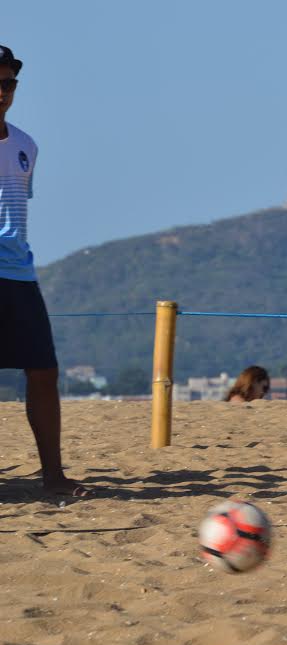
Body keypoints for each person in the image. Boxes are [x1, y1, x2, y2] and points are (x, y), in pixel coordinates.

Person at [0, 46, 91, 498]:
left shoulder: (25, 145)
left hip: (19, 274)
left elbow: (15, 213)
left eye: (7, 84)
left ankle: (52, 476)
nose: (0, 93)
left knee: (43, 370)